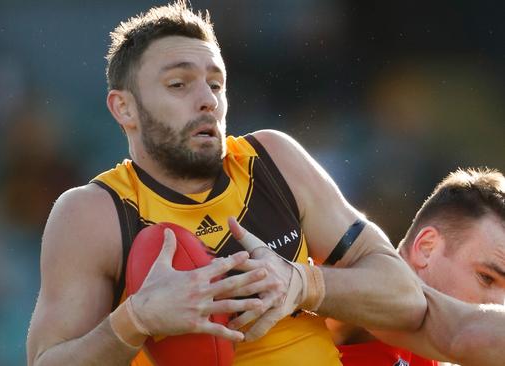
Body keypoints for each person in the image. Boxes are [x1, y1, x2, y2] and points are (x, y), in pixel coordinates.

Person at [25, 2, 426, 365]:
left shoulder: (273, 161)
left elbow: (405, 297)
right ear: (124, 108)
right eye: (179, 84)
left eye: (215, 84)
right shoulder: (94, 212)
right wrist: (136, 319)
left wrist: (302, 283)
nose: (208, 101)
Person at [329, 167, 505, 366]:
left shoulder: (436, 355)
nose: (498, 305)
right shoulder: (326, 304)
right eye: (486, 277)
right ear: (426, 248)